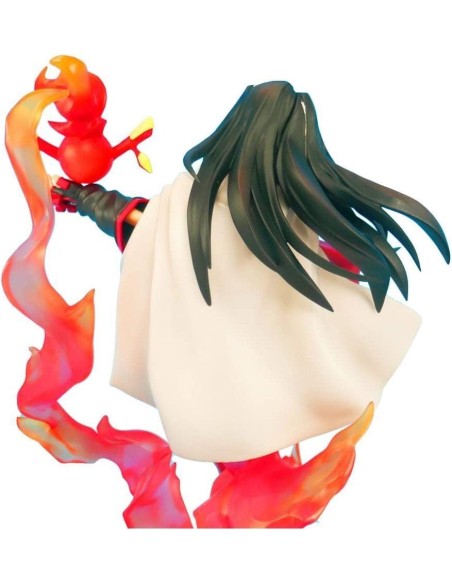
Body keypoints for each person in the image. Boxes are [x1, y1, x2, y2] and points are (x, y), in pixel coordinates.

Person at [6, 80, 449, 527]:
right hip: (226, 377)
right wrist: (87, 198)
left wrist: (87, 198)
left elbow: (143, 224)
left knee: (249, 454)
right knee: (245, 451)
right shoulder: (231, 210)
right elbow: (146, 225)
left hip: (241, 377)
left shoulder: (235, 211)